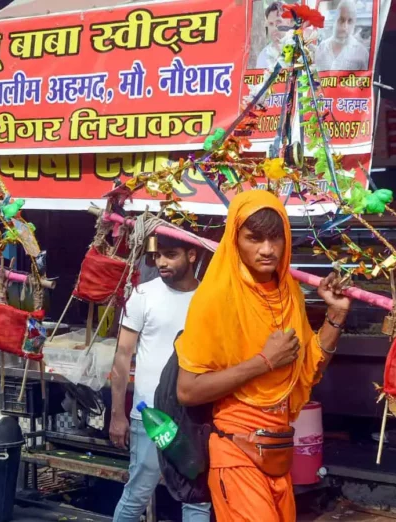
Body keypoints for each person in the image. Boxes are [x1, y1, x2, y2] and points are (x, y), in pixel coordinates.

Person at [175, 191, 351, 521]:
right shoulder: (214, 298)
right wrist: (264, 362)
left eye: (275, 238)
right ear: (235, 239)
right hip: (236, 448)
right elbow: (187, 391)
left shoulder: (290, 293)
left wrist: (336, 314)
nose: (267, 250)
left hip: (279, 447)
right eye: (254, 239)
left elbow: (308, 372)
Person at [109, 235, 211, 522]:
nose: (160, 262)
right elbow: (121, 358)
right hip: (150, 416)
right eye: (157, 256)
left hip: (194, 416)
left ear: (192, 255)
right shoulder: (142, 295)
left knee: (197, 496)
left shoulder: (209, 298)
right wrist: (118, 414)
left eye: (170, 255)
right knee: (138, 492)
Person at [315, 0, 369, 71]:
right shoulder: (321, 48)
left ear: (354, 24)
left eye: (350, 21)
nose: (345, 26)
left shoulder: (362, 53)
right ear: (335, 20)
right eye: (341, 20)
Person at [256, 2, 286, 70]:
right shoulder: (264, 55)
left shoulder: (299, 49)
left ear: (288, 22)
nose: (275, 27)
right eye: (271, 24)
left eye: (278, 22)